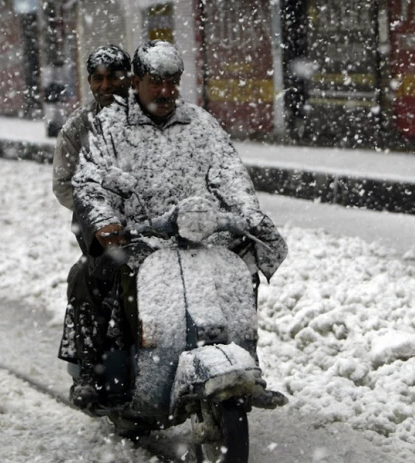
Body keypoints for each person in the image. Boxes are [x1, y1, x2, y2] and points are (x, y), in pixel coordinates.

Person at [72, 40, 289, 408]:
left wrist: (248, 214)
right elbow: (89, 182)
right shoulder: (109, 126)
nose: (165, 91)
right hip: (141, 240)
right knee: (105, 279)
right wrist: (107, 220)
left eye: (173, 81)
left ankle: (244, 358)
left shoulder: (202, 124)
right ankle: (106, 376)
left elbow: (230, 175)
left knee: (244, 266)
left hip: (206, 238)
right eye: (156, 81)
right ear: (136, 81)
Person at [52, 45, 132, 408]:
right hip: (101, 234)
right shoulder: (77, 127)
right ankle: (90, 372)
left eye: (114, 76)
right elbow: (64, 185)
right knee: (87, 278)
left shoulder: (144, 119)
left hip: (155, 226)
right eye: (98, 78)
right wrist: (101, 212)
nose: (106, 85)